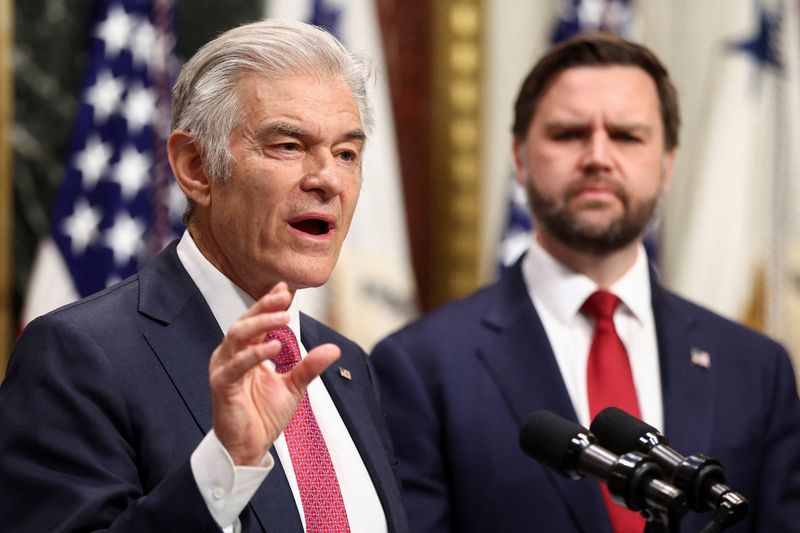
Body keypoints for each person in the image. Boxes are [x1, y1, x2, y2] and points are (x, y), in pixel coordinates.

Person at [371, 32, 800, 533]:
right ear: (519, 157)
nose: (598, 155)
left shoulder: (755, 367)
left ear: (667, 164)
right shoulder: (420, 366)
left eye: (626, 136)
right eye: (570, 133)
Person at [0, 20, 408, 533]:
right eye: (288, 145)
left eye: (347, 153)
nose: (328, 179)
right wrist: (225, 467)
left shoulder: (347, 364)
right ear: (195, 167)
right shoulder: (80, 356)